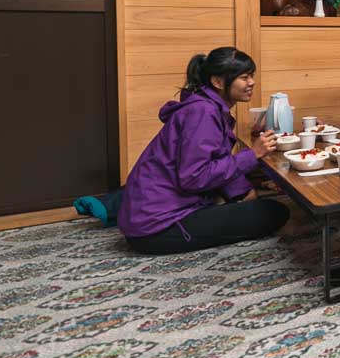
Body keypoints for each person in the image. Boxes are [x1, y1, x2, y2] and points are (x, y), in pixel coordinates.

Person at [118, 47, 290, 255]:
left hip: (152, 212)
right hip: (156, 227)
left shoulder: (206, 106)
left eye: (251, 76)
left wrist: (242, 191)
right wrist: (252, 155)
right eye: (244, 77)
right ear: (217, 82)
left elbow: (216, 157)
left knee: (250, 199)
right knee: (274, 212)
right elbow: (193, 176)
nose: (251, 82)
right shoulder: (203, 112)